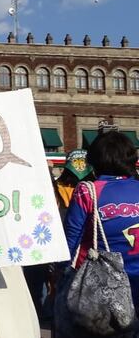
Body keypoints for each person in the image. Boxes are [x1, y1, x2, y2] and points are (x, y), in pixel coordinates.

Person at [64, 131, 139, 308]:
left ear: (95, 160)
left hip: (103, 287)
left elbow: (71, 241)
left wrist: (63, 273)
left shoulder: (88, 191)